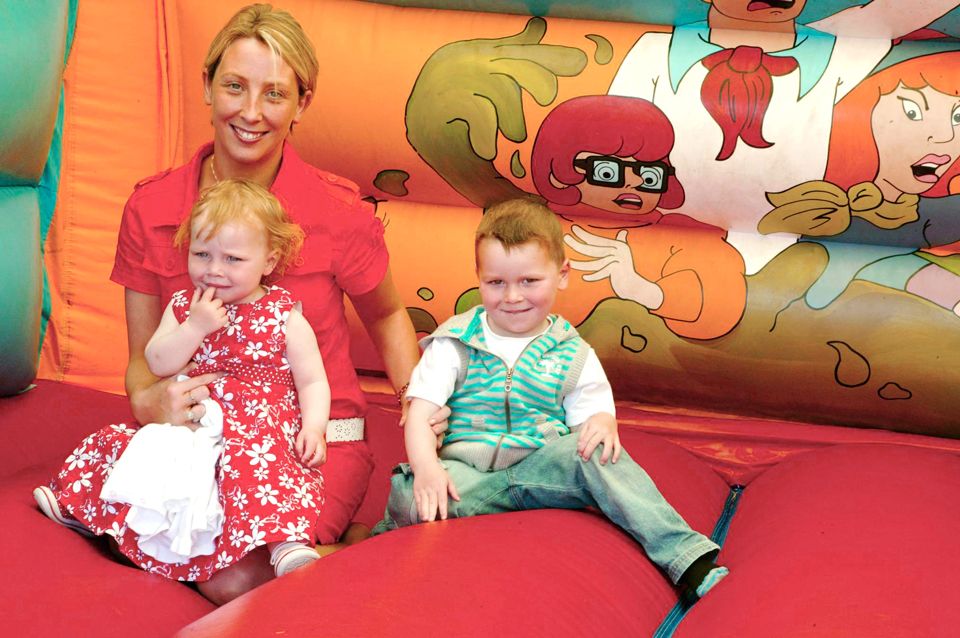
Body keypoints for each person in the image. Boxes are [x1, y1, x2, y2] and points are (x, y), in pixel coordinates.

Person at [32, 3, 433, 604]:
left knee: (234, 576)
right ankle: (337, 550)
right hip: (202, 439)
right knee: (164, 535)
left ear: (302, 103)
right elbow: (143, 362)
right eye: (234, 87)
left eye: (274, 94)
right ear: (206, 86)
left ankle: (358, 553)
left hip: (309, 439)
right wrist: (151, 403)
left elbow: (386, 315)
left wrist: (419, 414)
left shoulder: (337, 212)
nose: (250, 112)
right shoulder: (150, 207)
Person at [372, 198, 729, 600]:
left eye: (529, 281)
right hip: (470, 478)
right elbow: (420, 412)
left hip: (540, 471)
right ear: (478, 278)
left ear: (561, 275)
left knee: (599, 455)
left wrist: (602, 422)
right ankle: (385, 536)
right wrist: (426, 469)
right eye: (496, 283)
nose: (512, 297)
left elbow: (591, 415)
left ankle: (688, 561)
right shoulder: (456, 342)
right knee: (407, 490)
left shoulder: (570, 351)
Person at [38, 179, 329, 579]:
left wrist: (314, 426)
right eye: (202, 254)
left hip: (259, 428)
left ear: (269, 260)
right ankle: (87, 509)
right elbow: (156, 361)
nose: (214, 270)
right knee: (136, 449)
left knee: (255, 471)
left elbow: (312, 380)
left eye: (232, 259)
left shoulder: (284, 316)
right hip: (193, 418)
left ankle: (284, 542)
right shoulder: (184, 306)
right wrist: (194, 328)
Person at [608, 0, 960, 273]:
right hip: (656, 239)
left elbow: (899, 12)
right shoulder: (651, 50)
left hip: (796, 251)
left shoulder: (845, 55)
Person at [758, 48, 960, 314]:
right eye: (911, 111)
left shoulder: (931, 215)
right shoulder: (827, 208)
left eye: (958, 118)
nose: (944, 136)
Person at [530, 95, 746, 340]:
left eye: (650, 173)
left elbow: (720, 297)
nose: (635, 182)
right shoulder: (530, 225)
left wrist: (643, 290)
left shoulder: (685, 236)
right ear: (560, 171)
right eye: (608, 171)